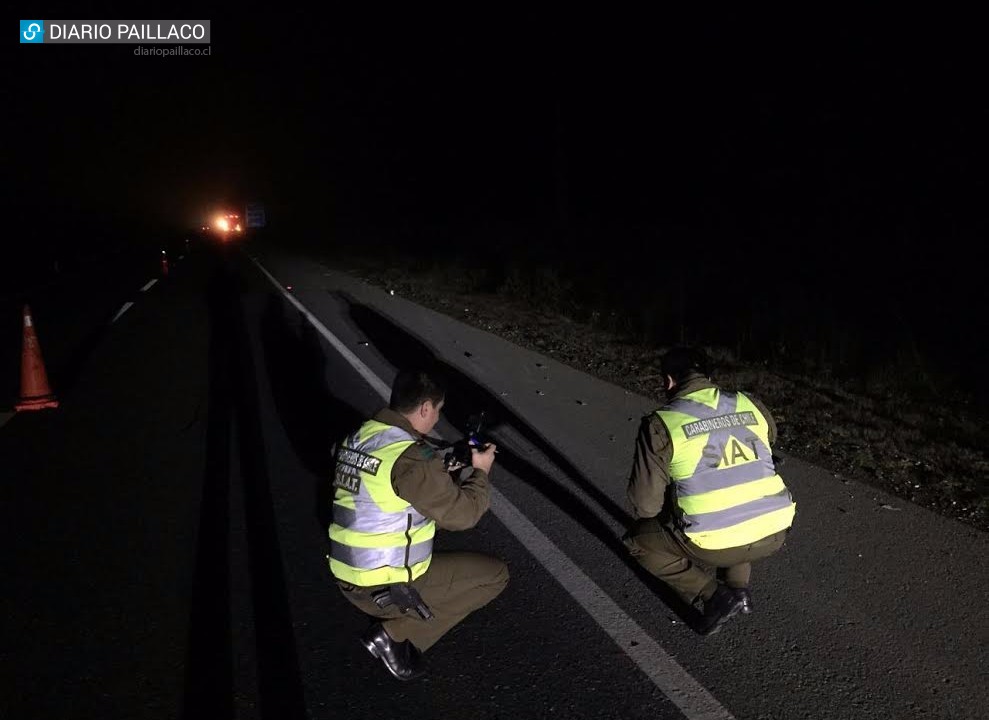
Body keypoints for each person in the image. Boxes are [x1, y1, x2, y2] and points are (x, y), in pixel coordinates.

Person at [328, 368, 509, 680]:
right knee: (494, 576)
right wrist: (480, 472)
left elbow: (390, 481)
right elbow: (463, 515)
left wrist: (444, 466)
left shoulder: (361, 436)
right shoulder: (412, 459)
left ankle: (394, 626)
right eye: (437, 410)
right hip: (383, 585)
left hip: (347, 575)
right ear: (426, 407)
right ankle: (394, 632)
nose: (437, 419)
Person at [624, 346, 795, 635]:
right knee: (740, 500)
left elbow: (645, 506)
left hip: (715, 542)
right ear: (707, 375)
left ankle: (714, 595)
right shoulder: (748, 403)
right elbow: (769, 439)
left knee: (638, 542)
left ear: (668, 381)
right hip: (777, 528)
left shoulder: (662, 423)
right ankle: (739, 591)